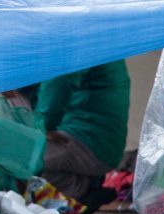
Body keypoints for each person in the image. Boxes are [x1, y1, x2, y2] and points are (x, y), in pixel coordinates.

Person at [19, 60, 130, 203]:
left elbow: (59, 82)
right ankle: (85, 182)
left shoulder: (78, 43)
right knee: (14, 151)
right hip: (83, 133)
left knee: (18, 159)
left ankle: (80, 192)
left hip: (91, 140)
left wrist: (43, 127)